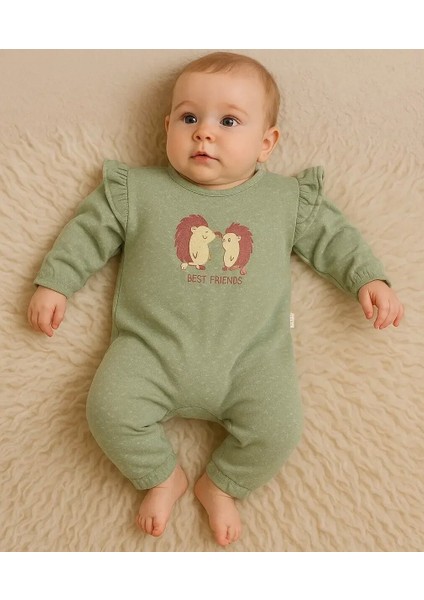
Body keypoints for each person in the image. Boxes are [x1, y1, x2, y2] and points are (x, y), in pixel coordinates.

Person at [27, 51, 404, 547]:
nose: (204, 132)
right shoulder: (137, 191)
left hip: (251, 361)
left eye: (228, 121)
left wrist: (366, 279)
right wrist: (56, 282)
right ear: (167, 127)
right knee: (108, 410)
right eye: (189, 118)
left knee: (279, 429)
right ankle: (162, 475)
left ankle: (222, 484)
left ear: (266, 143)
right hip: (150, 352)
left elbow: (336, 239)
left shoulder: (285, 200)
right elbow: (86, 233)